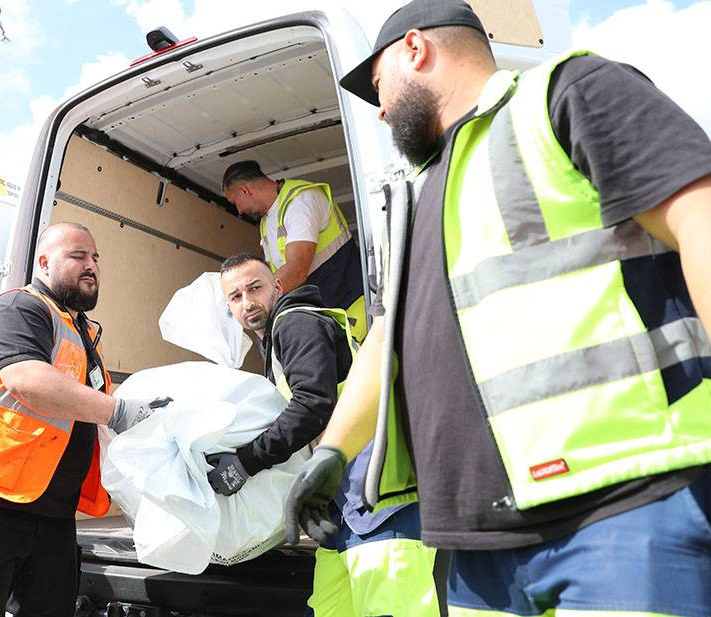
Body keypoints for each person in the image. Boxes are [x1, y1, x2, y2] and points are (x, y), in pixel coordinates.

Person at [287, 0, 711, 615]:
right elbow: (386, 340)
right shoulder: (412, 196)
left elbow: (699, 220)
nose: (377, 110)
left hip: (622, 504)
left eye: (378, 85)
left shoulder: (568, 93)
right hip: (473, 544)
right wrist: (332, 452)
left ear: (416, 49)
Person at [0, 222, 170, 617]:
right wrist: (121, 411)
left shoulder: (80, 332)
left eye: (96, 258)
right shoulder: (19, 307)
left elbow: (84, 411)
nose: (92, 266)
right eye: (78, 256)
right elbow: (28, 381)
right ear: (44, 262)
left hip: (45, 504)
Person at [214, 253, 440, 616]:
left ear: (277, 286)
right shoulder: (276, 340)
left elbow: (312, 403)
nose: (247, 302)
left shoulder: (295, 323)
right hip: (341, 508)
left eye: (255, 288)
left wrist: (246, 462)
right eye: (235, 296)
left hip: (377, 499)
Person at [221, 161, 367, 341]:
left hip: (353, 311)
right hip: (328, 320)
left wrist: (259, 302)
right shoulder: (266, 223)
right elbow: (271, 275)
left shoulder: (301, 200)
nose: (239, 210)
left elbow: (297, 270)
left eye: (235, 202)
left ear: (244, 190)